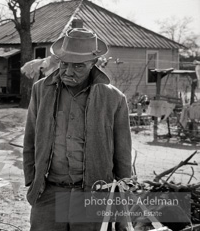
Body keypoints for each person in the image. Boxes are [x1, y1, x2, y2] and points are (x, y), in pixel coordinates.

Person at [23, 28, 132, 230]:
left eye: (78, 66)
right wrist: (32, 180)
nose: (68, 71)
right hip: (49, 193)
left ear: (94, 64)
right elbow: (30, 138)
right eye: (64, 64)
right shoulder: (41, 90)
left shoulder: (113, 99)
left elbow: (123, 157)